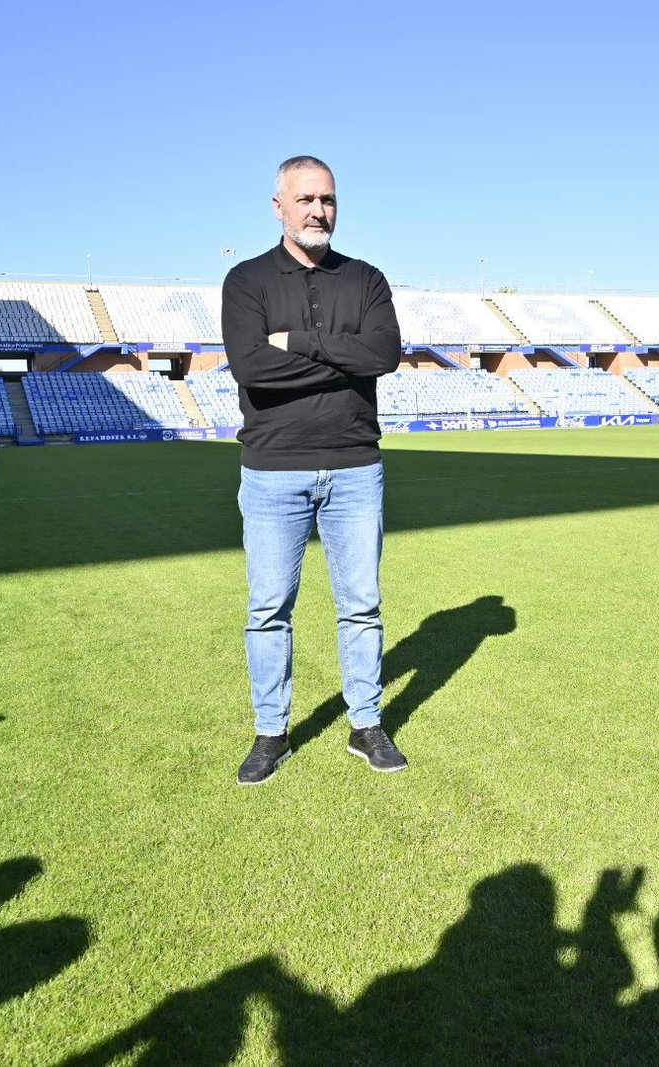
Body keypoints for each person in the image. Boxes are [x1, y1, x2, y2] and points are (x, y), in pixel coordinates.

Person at [221, 155, 405, 785]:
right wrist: (343, 359)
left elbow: (384, 355)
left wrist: (295, 342)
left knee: (362, 605)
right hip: (274, 471)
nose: (318, 211)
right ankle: (271, 733)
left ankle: (366, 724)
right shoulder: (246, 281)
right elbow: (251, 368)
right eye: (305, 200)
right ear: (279, 206)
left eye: (327, 199)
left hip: (355, 466)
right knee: (269, 608)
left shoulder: (366, 279)